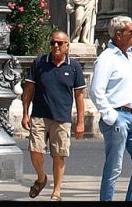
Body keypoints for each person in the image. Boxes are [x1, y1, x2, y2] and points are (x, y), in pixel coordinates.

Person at [91, 15, 132, 200]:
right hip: (119, 118)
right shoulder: (107, 58)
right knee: (114, 167)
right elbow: (96, 91)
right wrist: (111, 116)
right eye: (131, 31)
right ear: (119, 35)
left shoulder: (129, 56)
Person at [22, 30, 87, 201]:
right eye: (53, 43)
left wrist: (80, 122)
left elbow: (79, 96)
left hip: (62, 118)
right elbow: (28, 90)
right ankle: (42, 177)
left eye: (60, 43)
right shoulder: (40, 63)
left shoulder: (74, 67)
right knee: (35, 150)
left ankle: (56, 192)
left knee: (59, 155)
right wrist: (25, 113)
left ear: (67, 46)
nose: (56, 46)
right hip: (39, 115)